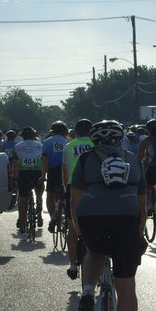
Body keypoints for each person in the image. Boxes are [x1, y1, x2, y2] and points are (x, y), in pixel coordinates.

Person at [72, 120, 146, 311]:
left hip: (91, 218)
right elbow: (142, 207)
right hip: (126, 219)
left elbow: (75, 202)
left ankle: (87, 292)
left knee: (94, 251)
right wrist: (138, 236)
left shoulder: (85, 160)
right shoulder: (134, 161)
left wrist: (81, 234)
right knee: (126, 285)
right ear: (120, 139)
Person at [62, 118, 93, 280]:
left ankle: (73, 265)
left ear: (76, 132)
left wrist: (65, 188)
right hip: (94, 185)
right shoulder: (96, 144)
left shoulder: (69, 146)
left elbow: (65, 171)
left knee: (72, 226)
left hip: (74, 186)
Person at [12, 126, 44, 232]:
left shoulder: (17, 146)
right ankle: (39, 209)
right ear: (34, 135)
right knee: (39, 193)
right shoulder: (40, 146)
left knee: (23, 198)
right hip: (37, 172)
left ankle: (22, 221)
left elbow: (15, 165)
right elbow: (44, 162)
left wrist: (15, 177)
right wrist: (44, 175)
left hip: (24, 173)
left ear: (22, 136)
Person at [42, 120, 69, 233]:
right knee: (66, 195)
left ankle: (53, 218)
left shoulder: (46, 142)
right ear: (65, 132)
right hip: (65, 170)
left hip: (53, 171)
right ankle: (66, 215)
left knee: (49, 195)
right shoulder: (68, 142)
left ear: (52, 132)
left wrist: (43, 175)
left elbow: (45, 162)